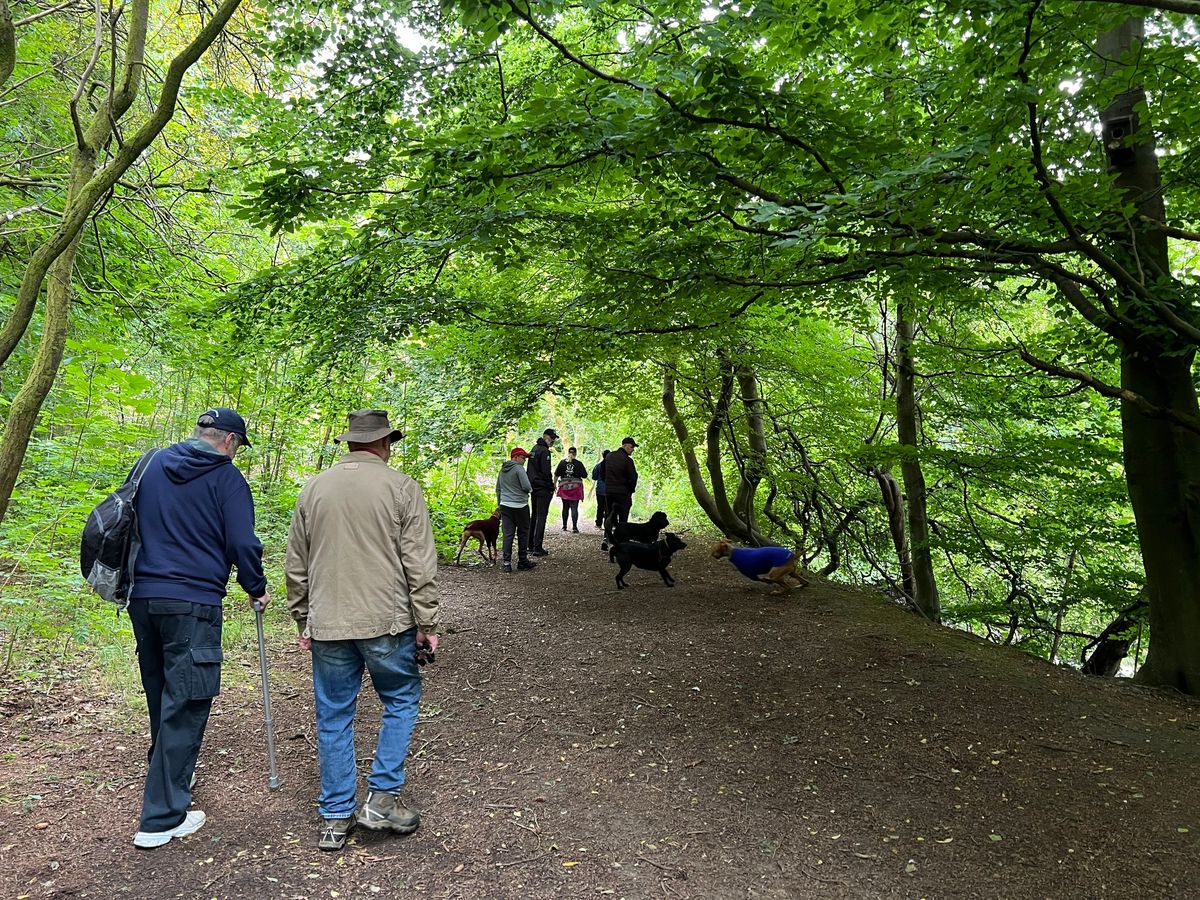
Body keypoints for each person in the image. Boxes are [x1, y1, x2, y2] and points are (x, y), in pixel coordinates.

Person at [285, 409, 440, 852]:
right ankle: (381, 798)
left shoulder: (313, 489)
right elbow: (419, 563)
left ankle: (335, 817)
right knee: (402, 699)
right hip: (386, 620)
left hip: (329, 622)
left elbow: (296, 564)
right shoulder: (402, 488)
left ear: (350, 442)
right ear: (386, 442)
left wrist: (304, 618)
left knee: (333, 713)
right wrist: (427, 622)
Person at [127, 407, 268, 849]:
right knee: (187, 700)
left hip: (142, 598)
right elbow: (242, 541)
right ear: (228, 440)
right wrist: (255, 586)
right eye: (238, 446)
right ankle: (162, 819)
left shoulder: (149, 463)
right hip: (193, 601)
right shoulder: (227, 480)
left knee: (162, 692)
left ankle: (164, 781)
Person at [497, 448, 537, 574]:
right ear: (515, 457)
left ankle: (506, 563)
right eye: (523, 458)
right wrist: (529, 490)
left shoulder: (502, 470)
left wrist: (500, 503)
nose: (524, 461)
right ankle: (522, 561)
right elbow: (526, 486)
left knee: (508, 534)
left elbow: (498, 488)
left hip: (505, 505)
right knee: (523, 533)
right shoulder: (519, 469)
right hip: (520, 505)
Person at [601, 437, 639, 551]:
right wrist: (630, 490)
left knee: (609, 515)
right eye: (632, 447)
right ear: (626, 446)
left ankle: (606, 539)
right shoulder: (627, 460)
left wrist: (608, 484)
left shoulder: (608, 456)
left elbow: (602, 473)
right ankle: (621, 544)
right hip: (623, 493)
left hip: (609, 492)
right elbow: (633, 477)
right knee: (623, 518)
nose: (633, 450)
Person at [525, 427, 558, 556]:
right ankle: (537, 547)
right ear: (546, 437)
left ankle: (530, 545)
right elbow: (546, 471)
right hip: (542, 487)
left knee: (535, 515)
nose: (553, 441)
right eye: (552, 438)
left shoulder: (534, 449)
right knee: (541, 516)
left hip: (533, 486)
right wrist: (550, 486)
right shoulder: (544, 451)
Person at [554, 446, 588, 532]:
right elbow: (584, 475)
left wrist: (554, 484)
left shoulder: (562, 463)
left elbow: (556, 474)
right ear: (576, 454)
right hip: (576, 488)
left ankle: (564, 526)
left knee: (565, 507)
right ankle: (574, 527)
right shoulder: (579, 464)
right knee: (574, 507)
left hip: (564, 487)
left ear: (568, 453)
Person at [590, 449, 610, 528]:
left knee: (600, 507)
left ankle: (598, 523)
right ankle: (607, 524)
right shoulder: (613, 466)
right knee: (608, 508)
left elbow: (594, 477)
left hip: (600, 490)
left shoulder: (598, 466)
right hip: (610, 490)